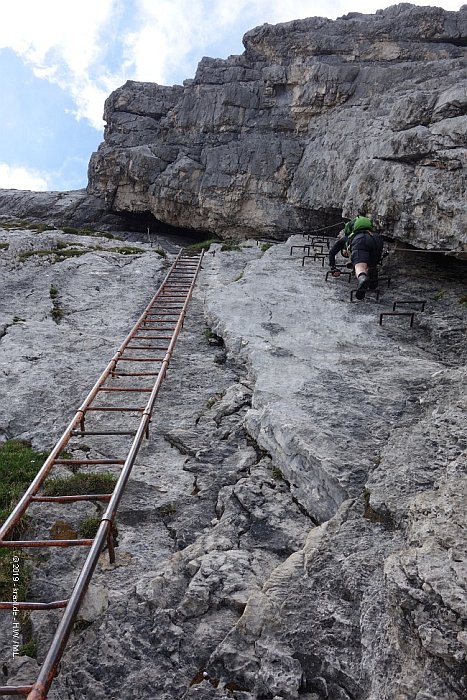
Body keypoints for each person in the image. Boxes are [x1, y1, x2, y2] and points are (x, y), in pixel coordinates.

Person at [328, 214, 383, 299]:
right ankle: (372, 275)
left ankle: (362, 278)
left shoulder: (348, 238)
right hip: (377, 240)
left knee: (360, 266)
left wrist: (333, 267)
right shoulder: (373, 234)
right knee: (372, 263)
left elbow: (332, 252)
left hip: (360, 242)